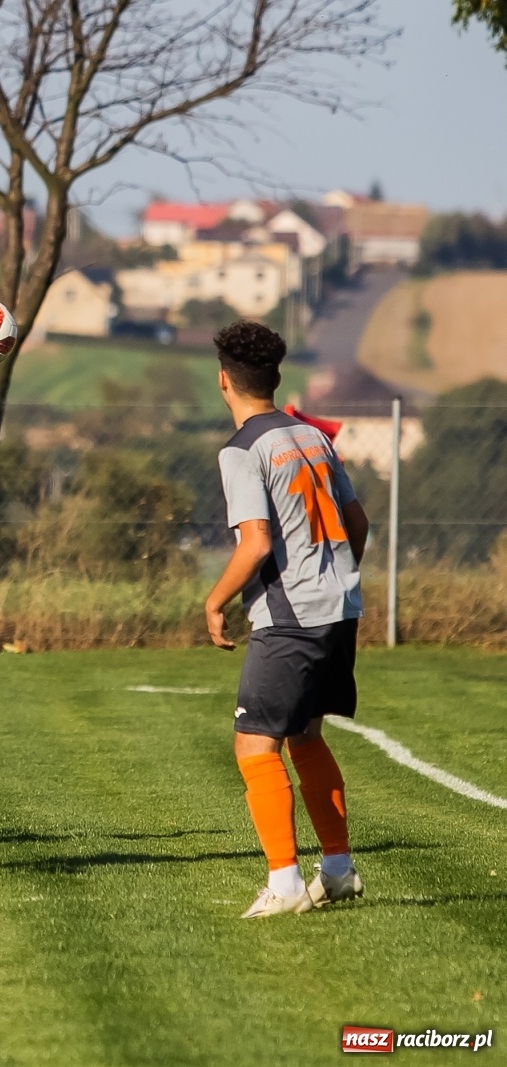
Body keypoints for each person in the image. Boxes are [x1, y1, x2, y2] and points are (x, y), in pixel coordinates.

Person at [204, 321, 369, 918]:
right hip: (339, 608)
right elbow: (359, 523)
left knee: (254, 744)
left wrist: (214, 601)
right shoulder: (311, 435)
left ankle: (285, 882)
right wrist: (337, 580)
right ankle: (338, 869)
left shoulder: (243, 449)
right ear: (274, 378)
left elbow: (254, 544)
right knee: (306, 735)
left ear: (224, 381)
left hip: (291, 618)